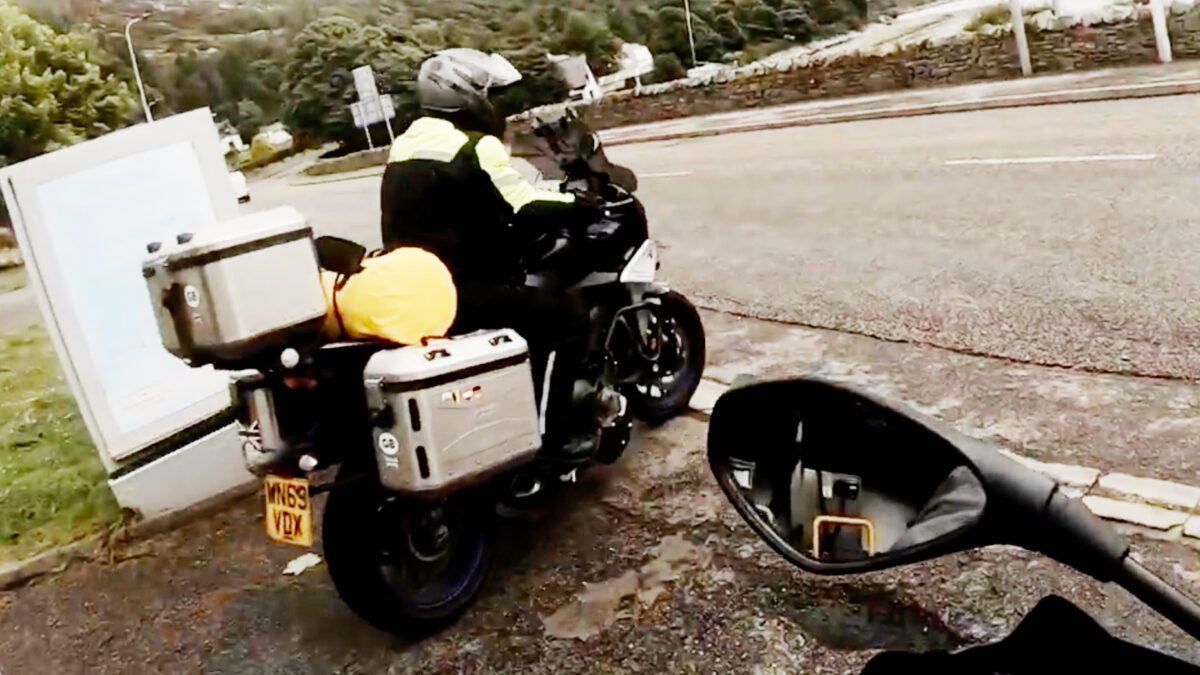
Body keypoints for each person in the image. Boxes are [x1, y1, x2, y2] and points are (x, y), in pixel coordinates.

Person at [380, 48, 601, 458]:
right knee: (566, 319)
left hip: (415, 287)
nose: (496, 105)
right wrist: (580, 204)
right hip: (464, 289)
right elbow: (522, 204)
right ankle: (555, 436)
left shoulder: (405, 144)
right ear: (466, 95)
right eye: (491, 95)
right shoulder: (475, 145)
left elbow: (465, 201)